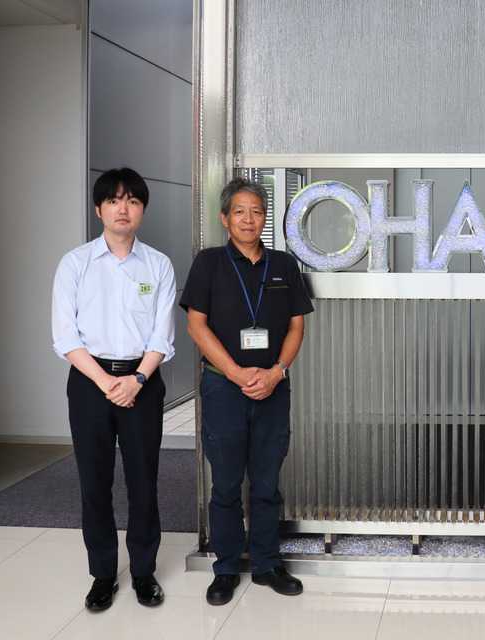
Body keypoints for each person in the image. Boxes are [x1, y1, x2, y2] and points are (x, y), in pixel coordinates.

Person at [180, 177, 313, 605]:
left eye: (256, 211)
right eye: (239, 211)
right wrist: (237, 373)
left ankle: (267, 563)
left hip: (273, 388)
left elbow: (296, 326)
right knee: (225, 482)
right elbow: (196, 326)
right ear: (225, 218)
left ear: (264, 218)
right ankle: (225, 567)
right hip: (224, 388)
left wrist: (276, 372)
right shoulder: (209, 263)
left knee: (267, 481)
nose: (248, 219)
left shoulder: (284, 265)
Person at [51, 168, 175, 611]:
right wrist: (106, 382)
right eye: (114, 200)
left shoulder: (158, 265)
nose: (124, 209)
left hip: (143, 381)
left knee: (144, 480)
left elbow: (162, 335)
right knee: (94, 480)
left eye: (133, 201)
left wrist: (137, 379)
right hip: (90, 383)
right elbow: (65, 336)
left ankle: (143, 572)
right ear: (99, 209)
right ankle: (102, 574)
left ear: (142, 210)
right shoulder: (75, 263)